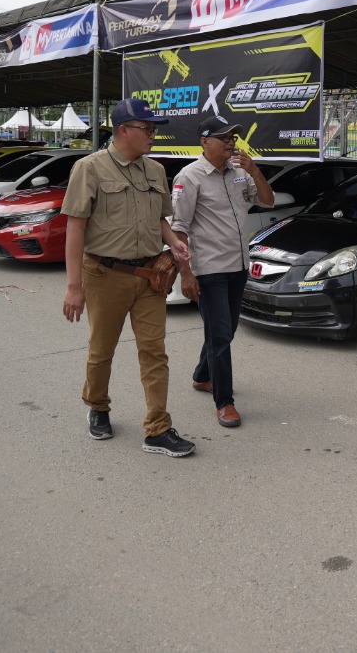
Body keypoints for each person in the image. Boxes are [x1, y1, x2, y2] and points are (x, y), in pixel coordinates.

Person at [61, 98, 195, 458]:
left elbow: (161, 220)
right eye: (148, 129)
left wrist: (176, 247)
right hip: (105, 274)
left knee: (154, 351)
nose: (153, 136)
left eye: (154, 130)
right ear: (124, 130)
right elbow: (75, 227)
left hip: (151, 275)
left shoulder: (154, 170)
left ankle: (157, 428)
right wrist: (74, 287)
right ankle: (98, 407)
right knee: (101, 349)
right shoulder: (89, 168)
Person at [170, 115, 273, 429]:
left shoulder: (240, 174)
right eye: (224, 137)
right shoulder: (189, 177)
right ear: (204, 141)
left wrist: (254, 171)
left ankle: (203, 375)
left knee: (223, 332)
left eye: (233, 138)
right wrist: (185, 274)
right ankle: (225, 403)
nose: (231, 143)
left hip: (239, 265)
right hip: (210, 269)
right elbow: (179, 229)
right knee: (220, 337)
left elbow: (267, 201)